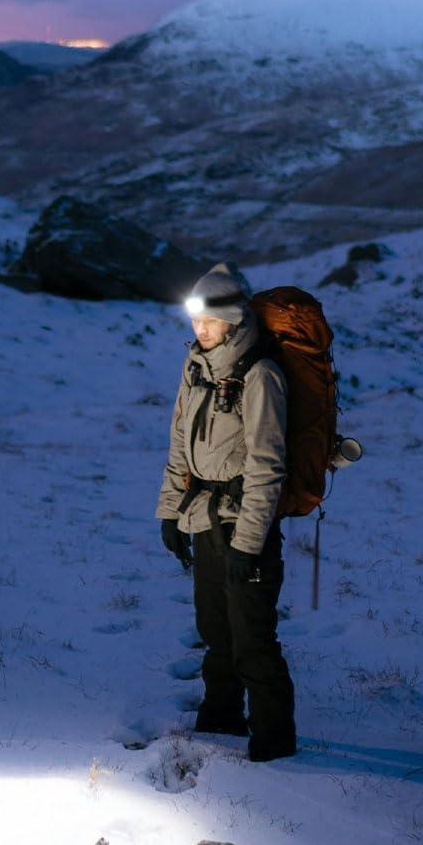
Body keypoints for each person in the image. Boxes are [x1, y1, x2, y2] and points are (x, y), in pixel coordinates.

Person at [155, 263, 297, 761]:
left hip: (245, 524)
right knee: (216, 631)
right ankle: (220, 724)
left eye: (209, 321)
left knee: (252, 638)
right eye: (195, 320)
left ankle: (274, 744)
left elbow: (267, 466)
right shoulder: (196, 366)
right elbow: (179, 442)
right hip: (203, 516)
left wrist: (248, 544)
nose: (200, 329)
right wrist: (170, 513)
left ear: (234, 320)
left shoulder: (261, 375)